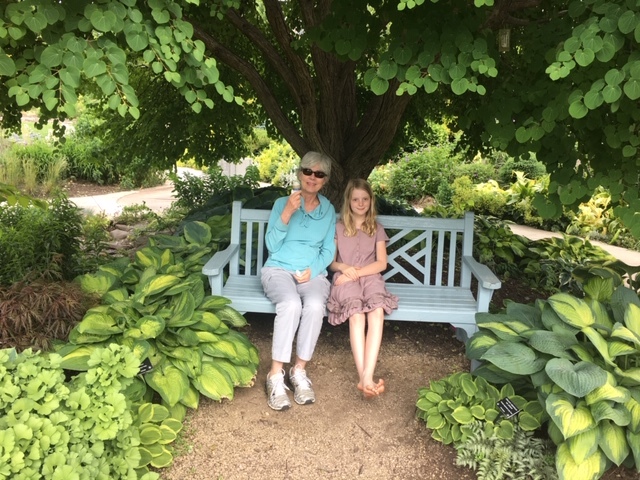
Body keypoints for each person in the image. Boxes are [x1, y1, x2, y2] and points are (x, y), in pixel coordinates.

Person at [260, 151, 337, 411]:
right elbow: (271, 244)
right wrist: (287, 213)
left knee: (315, 306)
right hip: (278, 269)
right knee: (291, 304)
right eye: (307, 171)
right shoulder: (283, 203)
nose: (312, 177)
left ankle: (299, 371)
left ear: (325, 180)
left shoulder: (328, 210)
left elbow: (328, 251)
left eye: (319, 174)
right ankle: (275, 375)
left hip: (310, 273)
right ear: (299, 173)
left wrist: (312, 269)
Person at [327, 179, 398, 399]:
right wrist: (346, 269)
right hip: (345, 278)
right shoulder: (338, 228)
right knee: (357, 315)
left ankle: (366, 378)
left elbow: (381, 264)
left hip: (370, 277)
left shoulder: (376, 228)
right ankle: (365, 378)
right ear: (348, 201)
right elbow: (332, 262)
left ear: (371, 200)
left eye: (365, 199)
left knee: (376, 312)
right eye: (356, 199)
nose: (360, 203)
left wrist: (358, 272)